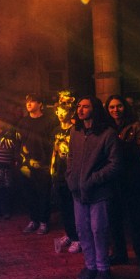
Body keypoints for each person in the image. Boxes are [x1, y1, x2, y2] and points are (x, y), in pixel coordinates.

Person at [65, 97, 121, 279]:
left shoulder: (107, 134)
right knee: (83, 230)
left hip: (98, 191)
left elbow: (115, 164)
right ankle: (90, 266)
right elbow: (71, 156)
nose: (80, 110)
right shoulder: (75, 131)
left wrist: (93, 179)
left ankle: (103, 268)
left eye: (85, 106)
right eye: (79, 106)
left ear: (94, 109)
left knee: (99, 230)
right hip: (78, 191)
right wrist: (70, 176)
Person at [105, 95, 140, 275]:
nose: (115, 110)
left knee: (137, 223)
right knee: (114, 220)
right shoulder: (106, 127)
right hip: (113, 180)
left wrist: (118, 147)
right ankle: (120, 253)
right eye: (111, 107)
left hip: (133, 179)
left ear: (125, 107)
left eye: (118, 106)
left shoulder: (136, 126)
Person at [16, 93, 57, 235]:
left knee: (43, 193)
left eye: (33, 101)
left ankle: (44, 221)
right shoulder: (23, 122)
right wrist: (19, 159)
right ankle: (33, 220)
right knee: (29, 193)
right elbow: (19, 141)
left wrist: (51, 162)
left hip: (43, 164)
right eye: (27, 101)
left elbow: (53, 143)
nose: (29, 104)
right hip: (26, 164)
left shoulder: (49, 121)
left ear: (40, 104)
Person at [50, 95, 81, 253]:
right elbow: (54, 152)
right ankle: (69, 233)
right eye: (59, 111)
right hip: (59, 174)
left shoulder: (75, 130)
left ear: (71, 112)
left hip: (72, 174)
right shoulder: (56, 130)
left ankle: (78, 238)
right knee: (64, 207)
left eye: (64, 110)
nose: (61, 114)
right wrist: (52, 170)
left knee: (74, 206)